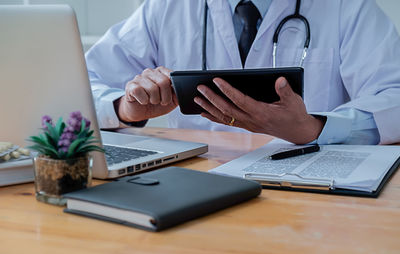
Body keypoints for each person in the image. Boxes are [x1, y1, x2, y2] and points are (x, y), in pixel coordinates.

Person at [85, 0, 400, 145]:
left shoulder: (349, 6)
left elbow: (395, 98)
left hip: (308, 192)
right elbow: (80, 82)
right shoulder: (167, 7)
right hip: (197, 186)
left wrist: (315, 129)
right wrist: (125, 109)